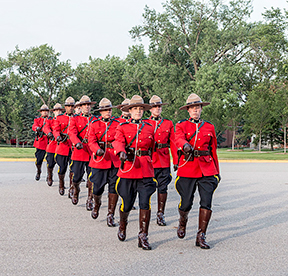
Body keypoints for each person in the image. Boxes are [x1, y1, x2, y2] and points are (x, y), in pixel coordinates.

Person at [175, 93, 220, 249]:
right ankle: (183, 221)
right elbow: (178, 138)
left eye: (198, 107)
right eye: (192, 107)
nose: (195, 110)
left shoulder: (209, 127)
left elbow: (213, 150)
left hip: (207, 168)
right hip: (188, 167)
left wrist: (217, 172)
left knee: (206, 202)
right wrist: (185, 145)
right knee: (186, 202)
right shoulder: (181, 125)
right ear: (188, 110)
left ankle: (201, 235)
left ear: (201, 109)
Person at [113, 95, 156, 250]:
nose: (138, 111)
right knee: (127, 203)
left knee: (145, 203)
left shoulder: (150, 127)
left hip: (145, 170)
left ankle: (143, 236)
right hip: (129, 169)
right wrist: (121, 152)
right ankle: (123, 224)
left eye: (140, 109)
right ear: (129, 111)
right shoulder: (122, 126)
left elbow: (152, 149)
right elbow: (118, 141)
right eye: (135, 109)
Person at [145, 95, 178, 226]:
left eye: (159, 106)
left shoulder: (168, 123)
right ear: (150, 109)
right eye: (154, 107)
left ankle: (160, 213)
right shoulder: (145, 123)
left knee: (163, 188)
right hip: (150, 159)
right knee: (147, 188)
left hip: (163, 159)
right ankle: (146, 211)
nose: (157, 109)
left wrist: (176, 160)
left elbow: (173, 143)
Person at [88, 98, 120, 227]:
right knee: (97, 188)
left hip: (114, 160)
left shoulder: (118, 123)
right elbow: (91, 141)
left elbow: (120, 138)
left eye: (109, 109)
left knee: (114, 188)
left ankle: (110, 214)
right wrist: (97, 150)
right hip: (100, 160)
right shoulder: (95, 124)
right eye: (105, 110)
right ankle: (97, 204)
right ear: (101, 112)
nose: (108, 112)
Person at [68, 95, 96, 210]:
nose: (86, 107)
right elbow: (72, 132)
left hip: (92, 151)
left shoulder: (95, 120)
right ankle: (76, 189)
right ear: (80, 106)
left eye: (88, 105)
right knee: (76, 176)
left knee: (92, 176)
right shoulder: (75, 119)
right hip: (80, 150)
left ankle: (90, 199)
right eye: (84, 105)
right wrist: (76, 142)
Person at [53, 96, 75, 196]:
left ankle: (72, 187)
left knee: (73, 169)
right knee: (62, 168)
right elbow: (56, 129)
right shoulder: (60, 118)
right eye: (68, 106)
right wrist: (57, 136)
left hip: (74, 147)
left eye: (72, 106)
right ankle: (61, 184)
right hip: (63, 145)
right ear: (65, 107)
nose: (70, 108)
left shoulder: (77, 118)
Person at [43, 103, 64, 186]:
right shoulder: (50, 120)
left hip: (62, 145)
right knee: (50, 163)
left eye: (59, 110)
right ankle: (50, 176)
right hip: (52, 144)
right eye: (56, 110)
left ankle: (61, 182)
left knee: (62, 165)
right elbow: (46, 127)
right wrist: (49, 133)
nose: (58, 112)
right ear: (53, 111)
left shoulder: (65, 120)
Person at [32, 104, 49, 181]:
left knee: (50, 160)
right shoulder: (37, 120)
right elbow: (34, 126)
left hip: (49, 142)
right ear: (41, 112)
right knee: (39, 160)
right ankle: (38, 171)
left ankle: (49, 175)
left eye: (46, 111)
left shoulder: (51, 119)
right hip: (41, 143)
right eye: (43, 111)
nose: (45, 112)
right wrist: (37, 128)